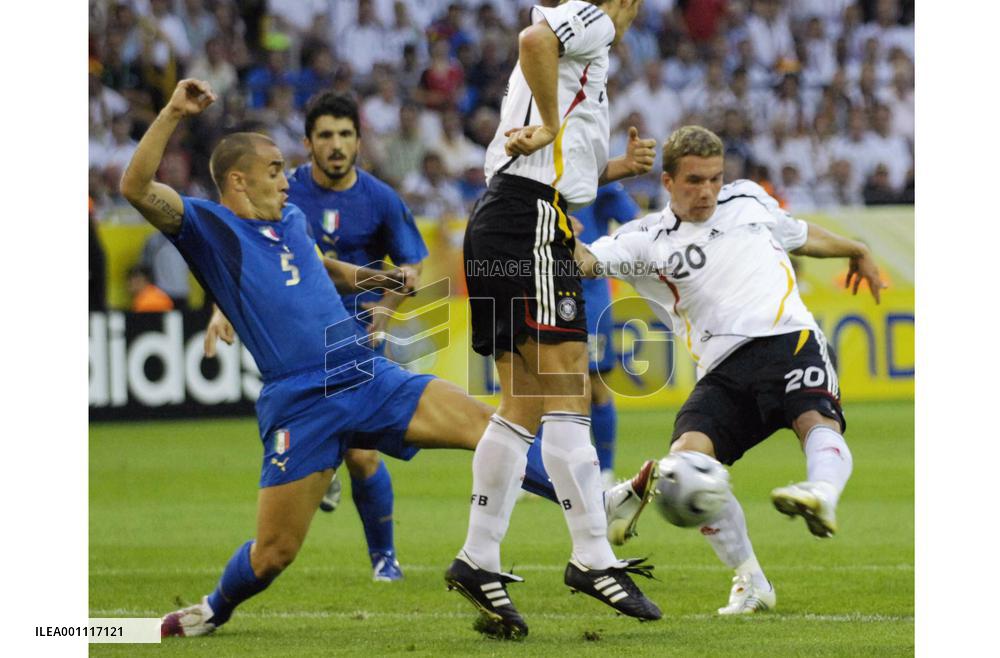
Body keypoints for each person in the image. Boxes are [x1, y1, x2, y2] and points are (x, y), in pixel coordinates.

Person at [121, 79, 654, 639]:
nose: (287, 178)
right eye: (275, 169)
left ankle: (594, 506)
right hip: (302, 399)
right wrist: (174, 112)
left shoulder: (292, 221)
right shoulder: (211, 226)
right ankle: (211, 609)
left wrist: (383, 282)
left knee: (486, 424)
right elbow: (136, 186)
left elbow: (326, 269)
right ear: (238, 180)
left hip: (362, 370)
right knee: (274, 553)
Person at [574, 125, 885, 615]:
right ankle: (752, 581)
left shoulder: (748, 200)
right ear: (669, 182)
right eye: (695, 181)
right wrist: (557, 237)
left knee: (814, 420)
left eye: (715, 179)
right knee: (683, 470)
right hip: (721, 368)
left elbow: (799, 235)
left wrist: (857, 249)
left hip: (789, 338)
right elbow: (588, 260)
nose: (707, 192)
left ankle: (822, 493)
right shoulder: (643, 239)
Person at [452, 0, 662, 638]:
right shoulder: (587, 18)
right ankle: (593, 556)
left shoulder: (585, 50)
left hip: (501, 219)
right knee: (572, 390)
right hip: (534, 224)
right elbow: (532, 40)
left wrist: (610, 168)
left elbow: (553, 152)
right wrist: (548, 125)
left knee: (523, 400)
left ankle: (478, 558)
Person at [286, 91, 428, 583]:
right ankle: (324, 460)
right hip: (294, 335)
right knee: (329, 445)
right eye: (325, 135)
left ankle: (384, 558)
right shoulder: (283, 193)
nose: (336, 144)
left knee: (363, 453)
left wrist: (386, 312)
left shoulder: (380, 199)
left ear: (359, 142)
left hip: (357, 334)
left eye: (345, 134)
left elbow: (411, 267)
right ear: (307, 143)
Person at [523, 182, 641, 492]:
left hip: (588, 295)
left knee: (594, 384)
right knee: (534, 386)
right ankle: (536, 472)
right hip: (539, 293)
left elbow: (634, 222)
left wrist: (601, 252)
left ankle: (605, 471)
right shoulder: (535, 176)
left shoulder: (599, 181)